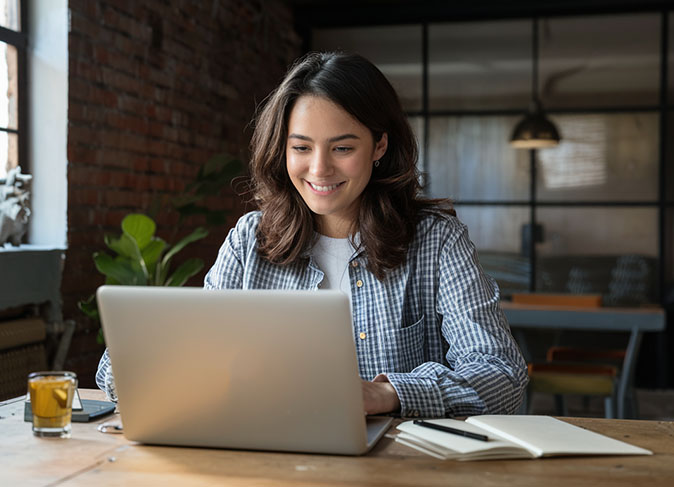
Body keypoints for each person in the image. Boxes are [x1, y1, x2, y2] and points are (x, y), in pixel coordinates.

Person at [97, 51, 528, 417]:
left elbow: (502, 375)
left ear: (379, 146)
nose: (319, 169)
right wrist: (147, 363)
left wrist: (385, 393)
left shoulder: (436, 242)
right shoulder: (251, 240)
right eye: (301, 147)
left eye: (342, 148)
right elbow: (137, 366)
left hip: (396, 468)